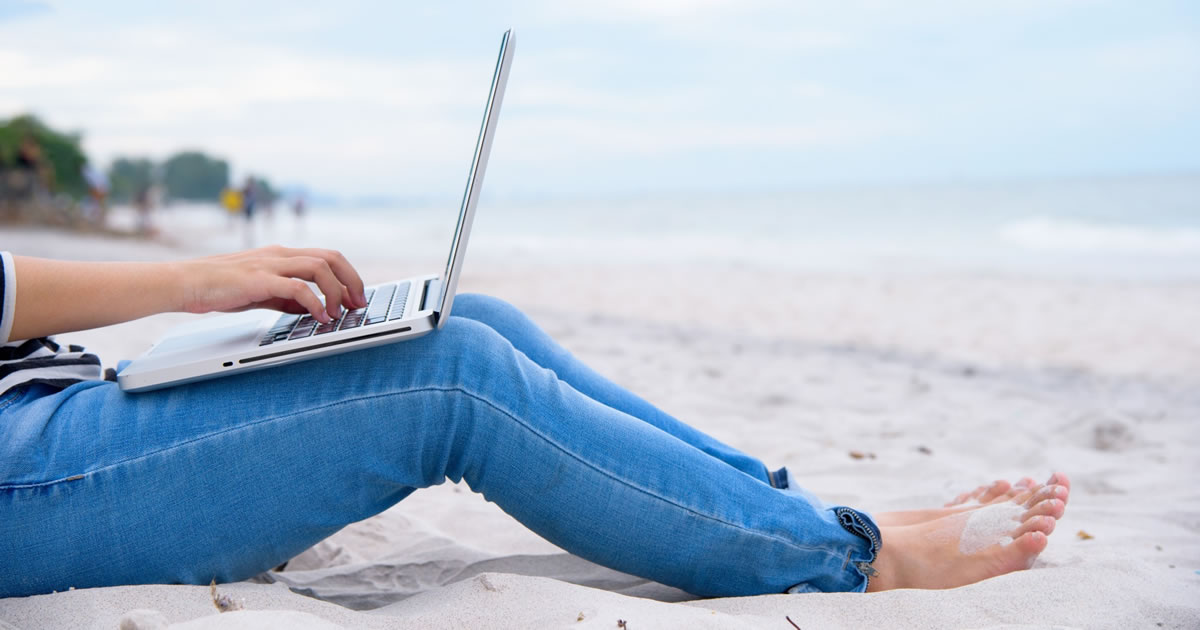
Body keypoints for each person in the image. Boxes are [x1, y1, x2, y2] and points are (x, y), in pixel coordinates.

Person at [0, 246, 1070, 599]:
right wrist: (190, 281)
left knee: (473, 319)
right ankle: (847, 561)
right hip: (22, 476)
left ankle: (791, 514)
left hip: (56, 401)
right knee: (452, 377)